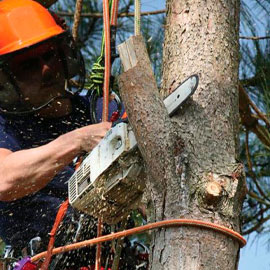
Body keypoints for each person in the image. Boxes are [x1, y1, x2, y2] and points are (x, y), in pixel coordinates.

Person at [0, 0, 120, 268]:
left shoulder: (98, 109)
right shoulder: (5, 125)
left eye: (49, 55)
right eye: (28, 65)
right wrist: (76, 140)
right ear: (7, 78)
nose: (46, 69)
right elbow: (4, 180)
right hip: (41, 259)